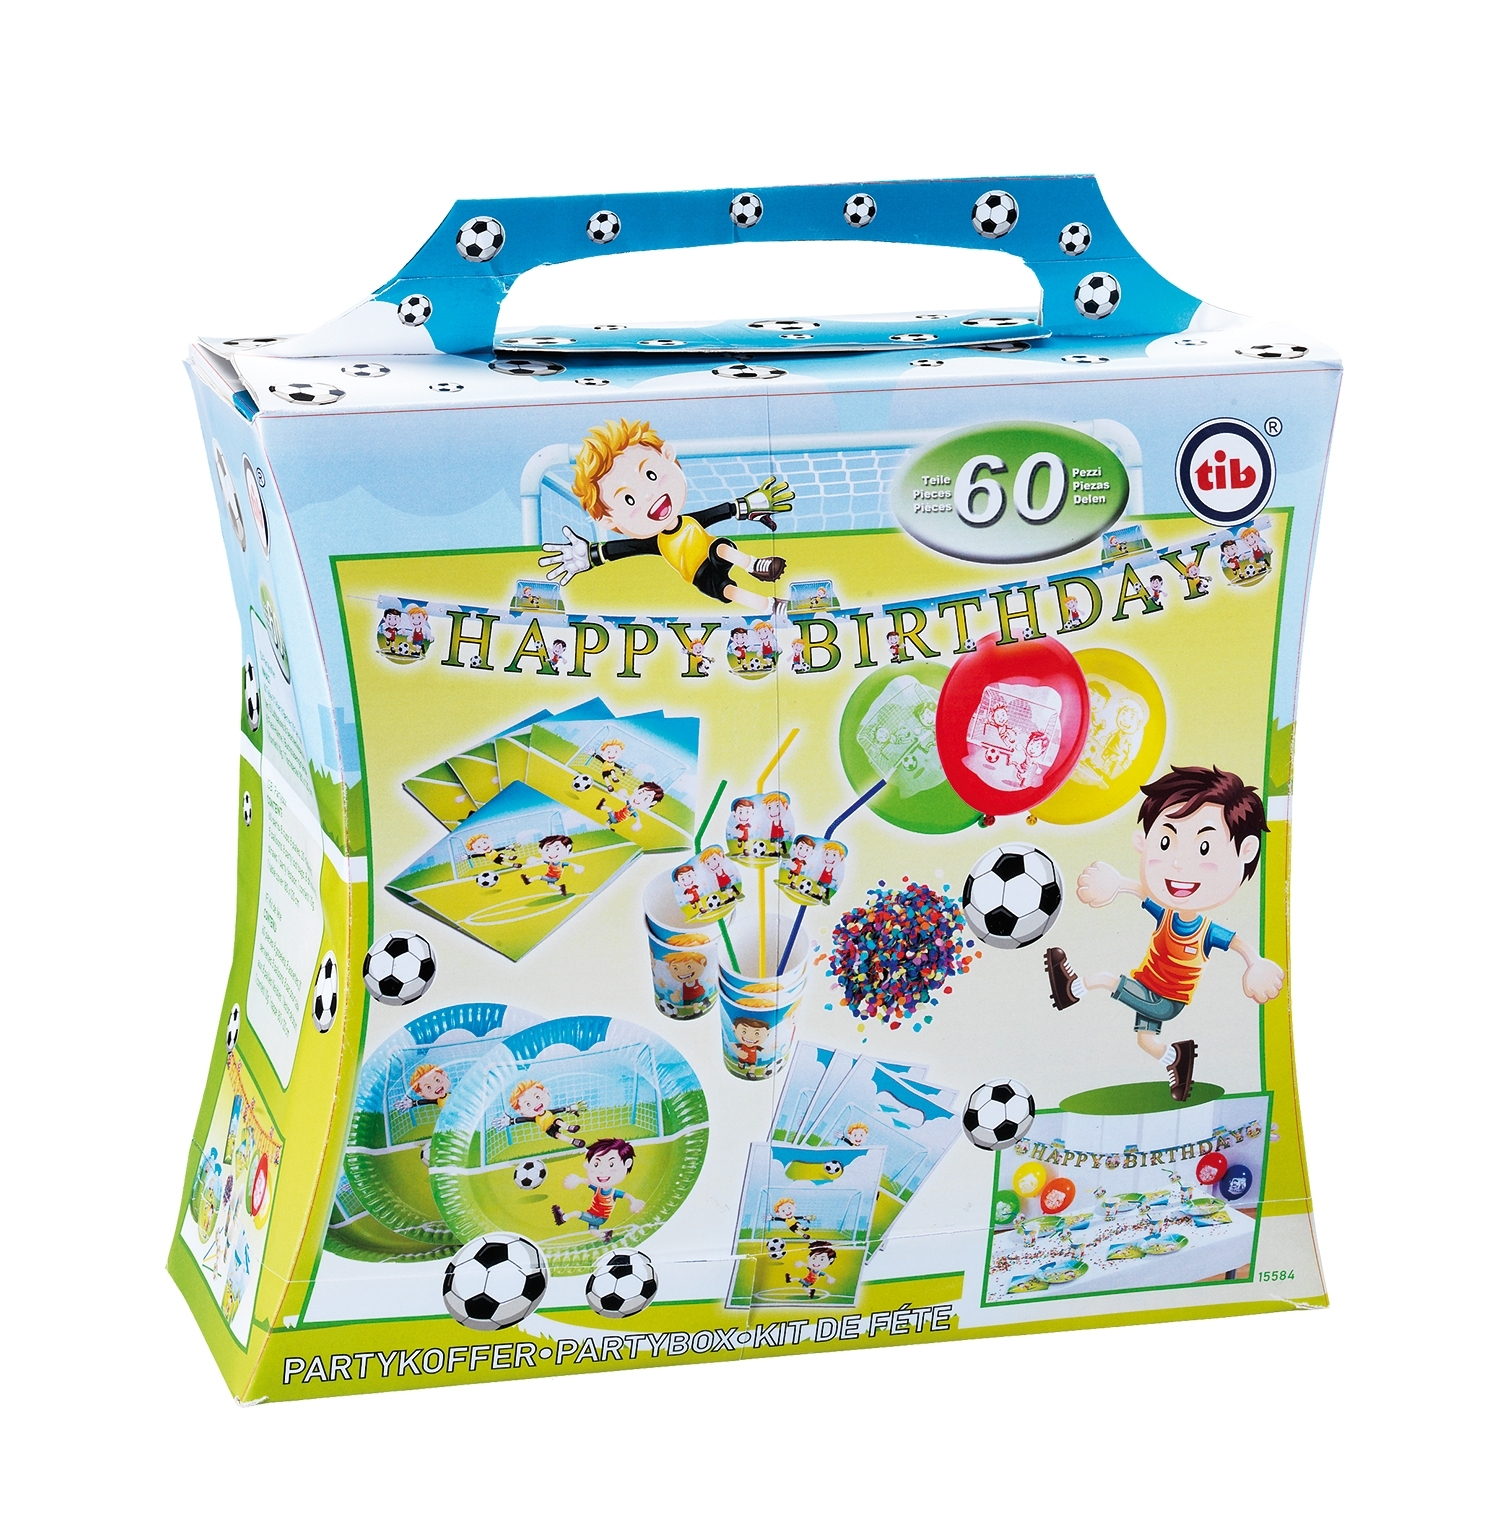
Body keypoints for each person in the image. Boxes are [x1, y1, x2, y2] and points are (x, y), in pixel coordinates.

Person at [1043, 766, 1284, 1101]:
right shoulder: (1167, 914)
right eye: (1166, 842)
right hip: (1148, 986)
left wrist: (1256, 963)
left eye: (1204, 848)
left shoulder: (1205, 931)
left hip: (1166, 1001)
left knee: (1107, 980)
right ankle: (1178, 1060)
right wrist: (1117, 884)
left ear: (1244, 852)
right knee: (1146, 1042)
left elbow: (1237, 943)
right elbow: (1144, 892)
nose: (1179, 864)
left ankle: (1070, 991)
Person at [540, 419, 793, 616]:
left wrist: (747, 506)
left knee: (721, 548)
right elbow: (623, 549)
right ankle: (771, 606)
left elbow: (717, 512)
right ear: (609, 522)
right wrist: (591, 555)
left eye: (650, 475)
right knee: (728, 590)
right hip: (698, 574)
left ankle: (753, 565)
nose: (648, 495)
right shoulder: (656, 541)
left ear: (668, 456)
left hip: (713, 550)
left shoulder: (690, 522)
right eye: (629, 499)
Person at [552, 1138, 645, 1236]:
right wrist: (579, 1180)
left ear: (627, 1164)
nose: (602, 1171)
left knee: (576, 1213)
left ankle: (562, 1218)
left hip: (599, 1217)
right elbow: (589, 1182)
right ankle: (604, 1236)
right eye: (596, 1164)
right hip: (593, 1214)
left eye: (611, 1164)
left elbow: (626, 1195)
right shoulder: (598, 1189)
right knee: (593, 1231)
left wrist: (633, 1201)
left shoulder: (613, 1192)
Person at [521, 834, 583, 899]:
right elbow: (543, 860)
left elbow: (569, 864)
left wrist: (576, 866)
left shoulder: (561, 863)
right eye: (547, 850)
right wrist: (536, 859)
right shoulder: (550, 862)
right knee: (550, 885)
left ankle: (528, 880)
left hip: (554, 877)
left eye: (557, 849)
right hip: (549, 876)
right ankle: (561, 888)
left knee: (538, 877)